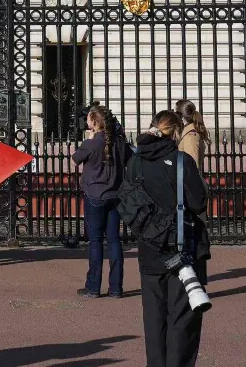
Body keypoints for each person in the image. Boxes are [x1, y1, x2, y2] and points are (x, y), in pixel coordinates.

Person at [123, 110, 209, 367]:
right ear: (175, 133)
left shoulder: (135, 162)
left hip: (149, 247)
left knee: (154, 319)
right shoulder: (181, 161)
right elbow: (198, 202)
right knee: (182, 319)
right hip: (182, 247)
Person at [71, 105, 130, 299]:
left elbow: (76, 158)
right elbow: (131, 158)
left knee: (95, 241)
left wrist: (87, 141)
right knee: (114, 240)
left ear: (94, 123)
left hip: (95, 194)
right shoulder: (119, 142)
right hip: (115, 194)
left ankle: (93, 286)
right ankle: (116, 287)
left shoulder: (93, 142)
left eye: (88, 119)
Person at [174, 100, 207, 171]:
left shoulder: (190, 137)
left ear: (181, 116)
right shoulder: (187, 132)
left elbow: (192, 166)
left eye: (175, 113)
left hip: (187, 180)